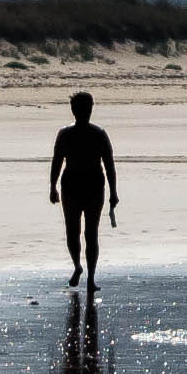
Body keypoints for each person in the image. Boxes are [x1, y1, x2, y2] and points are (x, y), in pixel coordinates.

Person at [49, 89, 122, 292]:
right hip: (82, 186)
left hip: (85, 187)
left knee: (82, 233)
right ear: (76, 110)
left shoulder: (80, 134)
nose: (86, 111)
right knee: (84, 233)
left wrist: (53, 187)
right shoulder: (90, 134)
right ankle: (83, 271)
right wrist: (52, 187)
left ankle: (85, 273)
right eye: (84, 108)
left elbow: (109, 164)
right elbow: (109, 165)